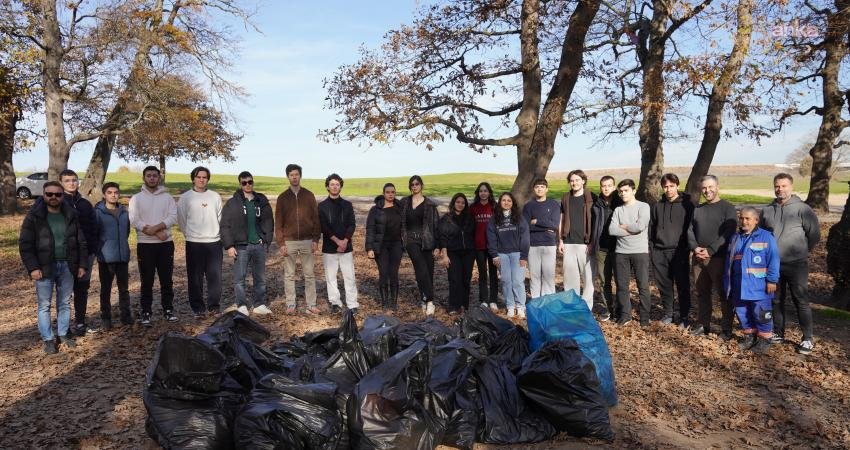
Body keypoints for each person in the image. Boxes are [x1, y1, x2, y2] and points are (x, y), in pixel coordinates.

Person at [19, 181, 88, 353]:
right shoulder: (34, 216)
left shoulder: (71, 214)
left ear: (62, 196)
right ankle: (48, 339)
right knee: (44, 305)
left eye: (57, 194)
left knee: (64, 303)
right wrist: (32, 267)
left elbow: (81, 241)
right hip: (44, 266)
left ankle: (63, 333)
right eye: (49, 194)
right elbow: (25, 244)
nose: (53, 197)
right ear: (44, 195)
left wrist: (82, 264)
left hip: (67, 265)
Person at [759, 173, 821, 354]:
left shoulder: (803, 209)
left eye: (784, 186)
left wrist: (800, 251)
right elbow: (762, 236)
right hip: (773, 265)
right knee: (776, 300)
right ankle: (778, 332)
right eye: (777, 186)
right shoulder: (768, 210)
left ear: (791, 187)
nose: (780, 189)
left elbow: (814, 235)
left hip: (796, 264)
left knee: (800, 299)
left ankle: (807, 338)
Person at [687, 175, 738, 340]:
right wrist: (695, 248)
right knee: (702, 293)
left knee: (724, 294)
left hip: (718, 258)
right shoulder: (698, 209)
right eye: (704, 188)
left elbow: (728, 232)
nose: (707, 191)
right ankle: (703, 324)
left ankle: (726, 329)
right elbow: (689, 231)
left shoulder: (727, 208)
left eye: (710, 187)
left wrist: (711, 250)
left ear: (717, 187)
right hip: (698, 258)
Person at [724, 207, 780, 354]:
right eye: (741, 218)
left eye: (748, 218)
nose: (744, 221)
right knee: (743, 313)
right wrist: (728, 283)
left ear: (756, 220)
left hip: (759, 286)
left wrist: (772, 280)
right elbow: (728, 263)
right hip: (739, 285)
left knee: (761, 313)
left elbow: (773, 260)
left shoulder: (766, 237)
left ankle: (764, 339)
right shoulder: (735, 238)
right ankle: (750, 336)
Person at [220, 171, 274, 317]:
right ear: (240, 184)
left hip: (258, 245)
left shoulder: (260, 200)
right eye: (244, 182)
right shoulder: (233, 203)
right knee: (239, 278)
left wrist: (266, 238)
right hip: (241, 246)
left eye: (250, 182)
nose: (247, 185)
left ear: (253, 182)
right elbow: (225, 225)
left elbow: (268, 219)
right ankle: (241, 304)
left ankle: (259, 304)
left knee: (260, 277)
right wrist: (229, 245)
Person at [129, 166, 179, 324]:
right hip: (145, 245)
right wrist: (155, 232)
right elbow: (134, 219)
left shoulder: (168, 198)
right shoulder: (136, 198)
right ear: (143, 178)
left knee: (166, 279)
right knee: (147, 280)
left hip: (165, 245)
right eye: (149, 176)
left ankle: (168, 309)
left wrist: (155, 228)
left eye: (154, 176)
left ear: (159, 178)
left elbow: (173, 217)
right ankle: (146, 311)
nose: (152, 178)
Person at [274, 163, 322, 314]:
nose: (294, 177)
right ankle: (290, 304)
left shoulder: (309, 195)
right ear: (288, 176)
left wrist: (315, 239)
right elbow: (278, 222)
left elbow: (316, 219)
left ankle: (311, 304)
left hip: (308, 240)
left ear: (300, 176)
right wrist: (281, 242)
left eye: (296, 174)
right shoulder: (282, 198)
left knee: (309, 274)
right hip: (289, 241)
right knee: (289, 275)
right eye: (291, 175)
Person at [177, 166, 223, 317]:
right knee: (195, 277)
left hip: (214, 242)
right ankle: (198, 308)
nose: (201, 180)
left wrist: (216, 234)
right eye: (199, 177)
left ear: (208, 179)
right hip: (194, 242)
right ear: (193, 179)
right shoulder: (186, 198)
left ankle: (214, 306)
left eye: (204, 177)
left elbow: (219, 217)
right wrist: (190, 235)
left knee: (214, 276)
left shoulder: (215, 196)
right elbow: (182, 220)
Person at [650, 173, 693, 326]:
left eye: (671, 186)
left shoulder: (687, 205)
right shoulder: (657, 206)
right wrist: (653, 248)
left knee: (682, 285)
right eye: (665, 186)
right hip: (660, 252)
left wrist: (687, 248)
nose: (668, 190)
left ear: (677, 186)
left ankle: (684, 316)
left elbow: (691, 228)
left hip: (679, 251)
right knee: (664, 285)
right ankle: (668, 313)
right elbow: (652, 228)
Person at [58, 170, 98, 335]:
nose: (72, 183)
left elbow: (94, 226)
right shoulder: (57, 202)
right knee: (65, 293)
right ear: (61, 183)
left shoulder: (84, 203)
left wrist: (93, 250)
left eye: (74, 180)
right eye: (67, 181)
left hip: (86, 254)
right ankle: (64, 327)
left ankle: (80, 323)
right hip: (65, 256)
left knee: (82, 290)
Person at [608, 179, 651, 326]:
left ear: (633, 190)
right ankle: (625, 315)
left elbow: (640, 226)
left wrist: (624, 227)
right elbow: (612, 230)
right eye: (620, 191)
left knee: (643, 285)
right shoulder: (618, 210)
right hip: (621, 252)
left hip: (640, 251)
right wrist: (630, 230)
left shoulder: (643, 207)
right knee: (622, 285)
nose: (623, 193)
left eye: (626, 190)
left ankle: (645, 318)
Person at [399, 175, 440, 316]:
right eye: (412, 184)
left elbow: (436, 226)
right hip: (411, 241)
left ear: (421, 185)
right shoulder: (404, 202)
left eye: (417, 184)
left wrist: (438, 246)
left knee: (428, 271)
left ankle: (424, 297)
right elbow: (389, 206)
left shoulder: (430, 205)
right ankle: (430, 301)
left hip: (427, 241)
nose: (414, 186)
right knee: (420, 267)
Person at [318, 173, 359, 315]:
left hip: (346, 248)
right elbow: (324, 227)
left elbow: (352, 224)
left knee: (349, 276)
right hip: (329, 248)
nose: (335, 187)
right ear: (327, 187)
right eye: (332, 184)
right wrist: (337, 241)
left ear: (340, 186)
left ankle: (352, 304)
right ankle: (335, 302)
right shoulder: (322, 206)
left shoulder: (347, 205)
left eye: (337, 184)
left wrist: (345, 241)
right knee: (331, 277)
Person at [93, 182, 132, 329]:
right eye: (110, 192)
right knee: (106, 289)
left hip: (122, 257)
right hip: (106, 257)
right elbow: (94, 233)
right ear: (104, 194)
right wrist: (101, 249)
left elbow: (126, 232)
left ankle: (126, 316)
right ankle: (106, 318)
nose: (113, 195)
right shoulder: (98, 212)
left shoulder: (124, 212)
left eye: (116, 192)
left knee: (124, 289)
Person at [488, 192, 530, 318]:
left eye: (509, 200)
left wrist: (524, 256)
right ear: (500, 202)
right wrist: (494, 255)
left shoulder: (519, 218)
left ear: (513, 203)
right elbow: (491, 237)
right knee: (506, 281)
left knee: (517, 280)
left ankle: (520, 306)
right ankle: (510, 306)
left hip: (517, 253)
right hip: (502, 254)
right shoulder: (494, 219)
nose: (506, 202)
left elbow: (525, 237)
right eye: (504, 200)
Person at [559, 169, 597, 309]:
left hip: (586, 244)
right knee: (570, 279)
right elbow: (561, 219)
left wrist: (592, 241)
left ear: (583, 181)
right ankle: (572, 306)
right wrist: (561, 240)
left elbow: (596, 221)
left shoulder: (592, 197)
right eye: (572, 180)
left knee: (588, 278)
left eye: (577, 180)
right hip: (569, 243)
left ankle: (586, 307)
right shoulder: (565, 198)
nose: (574, 183)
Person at [366, 183, 403, 310]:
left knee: (393, 273)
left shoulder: (400, 207)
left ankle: (393, 302)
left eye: (393, 192)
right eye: (388, 192)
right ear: (383, 194)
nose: (391, 194)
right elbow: (370, 229)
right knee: (383, 272)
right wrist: (369, 248)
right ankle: (384, 302)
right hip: (381, 245)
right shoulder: (375, 210)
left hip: (396, 244)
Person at [437, 192, 476, 315]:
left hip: (468, 253)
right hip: (453, 252)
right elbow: (442, 237)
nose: (460, 204)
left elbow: (473, 234)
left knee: (466, 279)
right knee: (454, 279)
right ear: (453, 203)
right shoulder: (446, 218)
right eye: (458, 202)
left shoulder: (469, 218)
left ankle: (464, 305)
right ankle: (454, 306)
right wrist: (444, 254)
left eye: (463, 203)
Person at [523, 178, 560, 298]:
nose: (539, 189)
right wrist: (545, 227)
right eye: (537, 187)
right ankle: (536, 302)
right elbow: (526, 226)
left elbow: (554, 224)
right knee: (534, 276)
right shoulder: (528, 206)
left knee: (548, 276)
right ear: (534, 189)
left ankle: (548, 303)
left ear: (547, 189)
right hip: (533, 245)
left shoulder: (553, 204)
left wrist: (536, 221)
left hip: (549, 245)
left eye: (542, 187)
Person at [592, 175, 622, 320]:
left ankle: (622, 309)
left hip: (619, 247)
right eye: (603, 185)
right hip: (601, 248)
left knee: (620, 280)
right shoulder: (596, 203)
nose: (606, 188)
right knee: (604, 281)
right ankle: (609, 308)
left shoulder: (620, 202)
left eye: (609, 185)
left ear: (614, 187)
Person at [470, 182, 500, 311]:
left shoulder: (494, 206)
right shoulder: (473, 208)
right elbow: (469, 227)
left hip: (492, 246)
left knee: (493, 274)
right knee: (482, 274)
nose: (483, 193)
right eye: (481, 191)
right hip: (479, 245)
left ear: (489, 193)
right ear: (478, 193)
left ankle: (493, 300)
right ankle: (483, 300)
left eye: (485, 191)